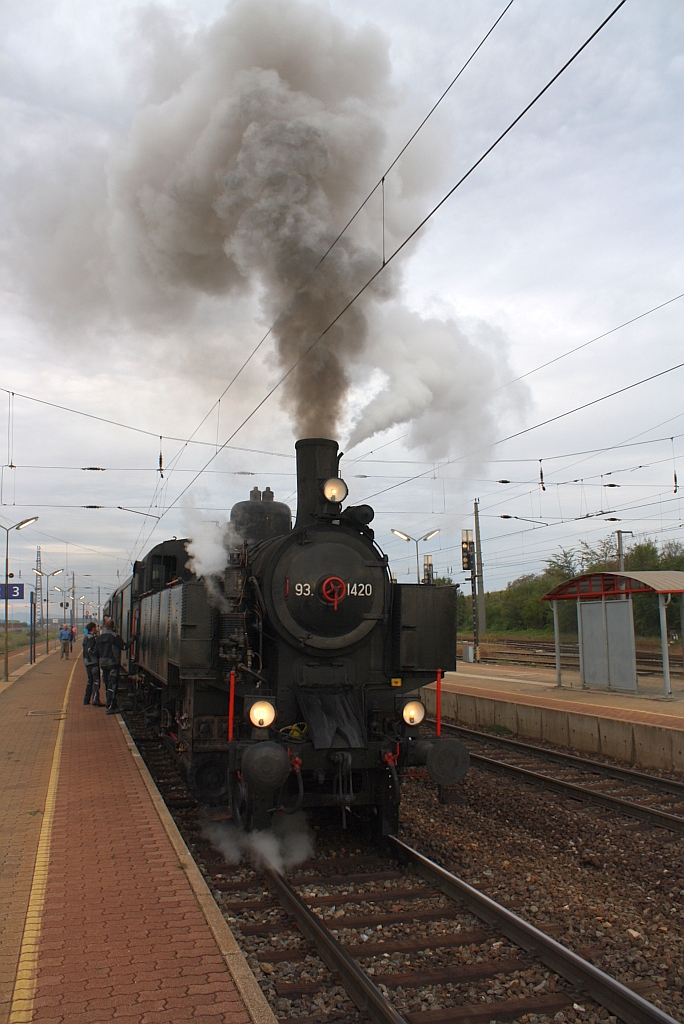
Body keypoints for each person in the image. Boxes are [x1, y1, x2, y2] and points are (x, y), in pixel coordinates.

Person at [95, 616, 133, 715]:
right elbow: (124, 647)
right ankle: (110, 706)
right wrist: (133, 639)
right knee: (113, 685)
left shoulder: (99, 638)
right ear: (113, 626)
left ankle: (112, 705)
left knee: (107, 684)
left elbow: (95, 651)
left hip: (103, 663)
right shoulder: (114, 637)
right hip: (112, 663)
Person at [82, 622, 101, 705]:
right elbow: (90, 650)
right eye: (95, 628)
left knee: (90, 681)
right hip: (93, 662)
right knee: (96, 681)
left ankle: (86, 700)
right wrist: (96, 655)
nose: (96, 629)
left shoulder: (85, 638)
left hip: (87, 662)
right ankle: (95, 699)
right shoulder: (92, 639)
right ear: (93, 629)